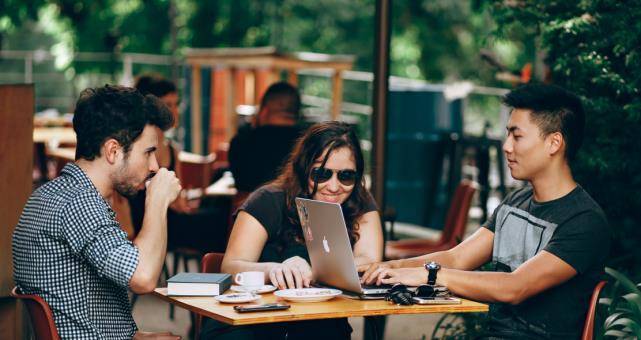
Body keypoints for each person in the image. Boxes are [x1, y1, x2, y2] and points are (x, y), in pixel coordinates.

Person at [360, 84, 610, 339]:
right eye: (507, 135)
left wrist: (430, 275)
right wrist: (388, 267)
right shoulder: (516, 201)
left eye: (517, 136)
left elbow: (515, 287)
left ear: (554, 142)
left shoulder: (583, 221)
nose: (506, 146)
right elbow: (458, 258)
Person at [12, 85, 182, 339]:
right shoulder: (79, 203)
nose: (155, 166)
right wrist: (157, 201)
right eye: (148, 152)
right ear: (113, 150)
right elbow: (144, 277)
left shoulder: (51, 195)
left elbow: (77, 309)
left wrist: (136, 337)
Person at [201, 121, 384, 339]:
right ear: (304, 168)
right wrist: (274, 270)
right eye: (321, 174)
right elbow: (230, 267)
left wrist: (315, 270)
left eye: (346, 176)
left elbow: (370, 261)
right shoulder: (268, 200)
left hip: (319, 323)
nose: (334, 187)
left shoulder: (359, 202)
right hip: (251, 321)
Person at [228, 81, 305, 192]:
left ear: (264, 110)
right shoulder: (308, 142)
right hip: (295, 208)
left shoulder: (241, 141)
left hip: (249, 208)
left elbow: (240, 185)